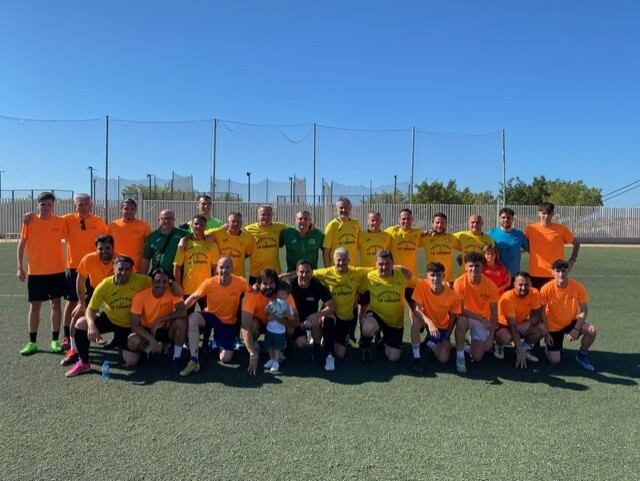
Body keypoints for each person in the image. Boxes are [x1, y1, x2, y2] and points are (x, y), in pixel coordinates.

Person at [65, 256, 151, 377]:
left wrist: (172, 285)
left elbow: (159, 283)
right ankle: (84, 362)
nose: (124, 272)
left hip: (128, 326)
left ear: (132, 270)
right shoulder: (105, 285)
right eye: (120, 269)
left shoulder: (141, 280)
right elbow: (90, 309)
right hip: (110, 319)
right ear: (114, 269)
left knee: (131, 361)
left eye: (127, 269)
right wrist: (91, 325)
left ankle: (143, 349)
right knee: (81, 323)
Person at [179, 256, 250, 376]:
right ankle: (194, 360)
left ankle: (216, 342)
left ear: (232, 268)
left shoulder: (241, 282)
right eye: (221, 267)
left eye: (227, 267)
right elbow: (193, 297)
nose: (224, 270)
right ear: (217, 269)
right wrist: (179, 312)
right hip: (211, 316)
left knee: (225, 358)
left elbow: (253, 293)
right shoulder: (209, 282)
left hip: (228, 323)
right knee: (193, 318)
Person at [16, 192, 68, 355]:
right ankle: (32, 342)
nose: (46, 207)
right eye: (43, 204)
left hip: (57, 271)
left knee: (56, 305)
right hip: (36, 273)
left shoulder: (61, 222)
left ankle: (54, 340)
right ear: (38, 205)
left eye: (49, 204)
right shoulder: (30, 221)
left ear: (53, 205)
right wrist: (20, 267)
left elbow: (72, 234)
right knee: (35, 307)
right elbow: (21, 244)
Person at [61, 193, 109, 350]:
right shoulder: (68, 219)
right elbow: (50, 223)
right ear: (75, 206)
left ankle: (93, 332)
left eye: (85, 204)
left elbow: (105, 241)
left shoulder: (99, 221)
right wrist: (32, 216)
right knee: (72, 303)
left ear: (91, 205)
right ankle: (67, 336)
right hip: (74, 267)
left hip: (93, 267)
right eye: (79, 204)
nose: (82, 207)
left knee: (92, 303)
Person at [61, 234, 116, 365]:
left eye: (108, 248)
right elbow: (80, 282)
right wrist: (81, 303)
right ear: (96, 249)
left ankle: (123, 341)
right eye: (100, 248)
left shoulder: (120, 260)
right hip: (94, 288)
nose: (104, 251)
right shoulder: (88, 259)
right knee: (77, 315)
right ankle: (74, 349)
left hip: (113, 290)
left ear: (113, 248)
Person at [313, 248, 371, 361]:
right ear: (334, 260)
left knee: (340, 354)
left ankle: (329, 339)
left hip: (346, 318)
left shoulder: (356, 272)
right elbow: (307, 272)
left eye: (344, 260)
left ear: (349, 260)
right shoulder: (327, 273)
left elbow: (375, 269)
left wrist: (397, 268)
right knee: (328, 319)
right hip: (331, 314)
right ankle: (326, 350)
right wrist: (282, 277)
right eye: (338, 260)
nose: (341, 263)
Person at [540, 259, 597, 371]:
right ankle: (549, 348)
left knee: (591, 330)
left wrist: (576, 329)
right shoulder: (546, 288)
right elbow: (541, 312)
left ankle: (582, 355)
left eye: (564, 271)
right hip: (553, 326)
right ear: (552, 272)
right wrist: (546, 333)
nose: (561, 274)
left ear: (568, 271)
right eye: (558, 271)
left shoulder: (577, 287)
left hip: (571, 322)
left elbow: (584, 310)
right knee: (555, 361)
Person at [241, 268, 298, 375]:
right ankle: (254, 346)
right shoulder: (252, 294)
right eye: (265, 283)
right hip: (260, 323)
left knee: (291, 328)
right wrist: (252, 353)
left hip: (277, 324)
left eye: (272, 283)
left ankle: (283, 344)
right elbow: (245, 326)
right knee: (252, 326)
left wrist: (278, 318)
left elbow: (296, 322)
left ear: (276, 284)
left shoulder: (283, 294)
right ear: (258, 284)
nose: (268, 287)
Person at [127, 268, 187, 369]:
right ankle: (148, 350)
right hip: (147, 330)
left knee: (182, 322)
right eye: (157, 281)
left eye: (164, 282)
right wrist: (152, 340)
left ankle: (177, 357)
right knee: (132, 341)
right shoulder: (140, 296)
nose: (161, 285)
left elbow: (183, 311)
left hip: (164, 328)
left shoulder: (172, 291)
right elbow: (134, 325)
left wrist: (162, 319)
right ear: (152, 282)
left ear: (168, 282)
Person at [358, 250, 411, 363]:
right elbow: (358, 291)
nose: (384, 267)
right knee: (367, 327)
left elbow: (419, 284)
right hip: (376, 316)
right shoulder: (370, 277)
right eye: (380, 264)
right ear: (375, 265)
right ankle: (366, 346)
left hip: (395, 323)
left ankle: (384, 340)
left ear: (393, 264)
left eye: (387, 264)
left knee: (393, 358)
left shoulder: (402, 276)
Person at [453, 252, 500, 373]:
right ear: (465, 267)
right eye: (471, 266)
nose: (474, 269)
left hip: (483, 321)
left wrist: (490, 338)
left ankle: (465, 346)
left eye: (477, 266)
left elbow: (494, 314)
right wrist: (480, 317)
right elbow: (461, 310)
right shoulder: (459, 283)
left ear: (482, 267)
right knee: (461, 321)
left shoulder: (490, 285)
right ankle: (460, 357)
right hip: (468, 316)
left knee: (477, 357)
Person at [411, 262, 461, 373]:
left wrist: (446, 337)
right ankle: (416, 358)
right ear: (426, 276)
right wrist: (429, 322)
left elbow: (453, 318)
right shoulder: (421, 285)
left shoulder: (453, 295)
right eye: (432, 275)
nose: (435, 278)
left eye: (438, 275)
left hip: (442, 327)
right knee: (415, 323)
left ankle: (430, 343)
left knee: (443, 359)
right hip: (427, 322)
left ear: (443, 276)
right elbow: (417, 309)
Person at [289, 260, 336, 371]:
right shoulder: (290, 285)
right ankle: (286, 345)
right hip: (294, 320)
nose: (304, 275)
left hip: (310, 320)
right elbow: (275, 280)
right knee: (301, 343)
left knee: (317, 320)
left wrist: (318, 314)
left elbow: (332, 306)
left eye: (307, 272)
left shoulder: (317, 285)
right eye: (301, 272)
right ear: (296, 272)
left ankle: (316, 348)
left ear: (312, 272)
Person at [495, 272, 545, 368]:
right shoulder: (508, 298)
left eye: (526, 284)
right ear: (514, 284)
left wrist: (528, 322)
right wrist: (520, 352)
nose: (523, 288)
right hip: (503, 325)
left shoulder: (534, 293)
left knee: (542, 328)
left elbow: (537, 316)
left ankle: (524, 347)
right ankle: (499, 344)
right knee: (505, 337)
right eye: (520, 285)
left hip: (520, 324)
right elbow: (513, 327)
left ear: (530, 284)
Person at [525, 202, 580, 289]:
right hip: (535, 273)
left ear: (553, 214)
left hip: (556, 273)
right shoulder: (530, 229)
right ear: (538, 213)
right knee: (537, 302)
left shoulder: (561, 229)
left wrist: (572, 259)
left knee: (554, 302)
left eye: (549, 213)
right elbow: (525, 246)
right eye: (544, 213)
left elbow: (576, 244)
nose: (546, 216)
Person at [173, 215, 220, 312]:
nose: (198, 226)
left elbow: (216, 268)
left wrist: (214, 286)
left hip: (206, 289)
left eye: (201, 224)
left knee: (207, 318)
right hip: (188, 288)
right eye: (196, 224)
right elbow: (177, 266)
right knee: (186, 317)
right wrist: (178, 285)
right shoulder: (184, 244)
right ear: (192, 226)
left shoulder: (212, 245)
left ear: (206, 226)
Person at [384, 208, 422, 328]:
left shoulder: (417, 233)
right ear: (399, 220)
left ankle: (414, 328)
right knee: (394, 307)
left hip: (411, 278)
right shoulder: (391, 232)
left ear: (412, 220)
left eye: (408, 219)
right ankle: (387, 332)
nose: (406, 221)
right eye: (403, 219)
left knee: (414, 307)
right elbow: (379, 235)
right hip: (395, 278)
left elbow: (427, 235)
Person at [244, 205, 288, 284]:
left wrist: (310, 225)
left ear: (272, 216)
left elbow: (295, 229)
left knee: (275, 296)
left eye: (268, 214)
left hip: (274, 273)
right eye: (263, 214)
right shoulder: (248, 229)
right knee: (254, 296)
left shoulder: (279, 227)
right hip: (256, 274)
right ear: (258, 216)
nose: (266, 217)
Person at [108, 198, 151, 273]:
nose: (129, 211)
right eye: (126, 209)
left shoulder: (144, 226)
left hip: (137, 269)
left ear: (135, 211)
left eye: (132, 209)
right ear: (121, 210)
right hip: (117, 268)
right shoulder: (112, 225)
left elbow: (149, 248)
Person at [140, 210, 189, 275]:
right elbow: (146, 258)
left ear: (174, 220)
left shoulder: (182, 234)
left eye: (170, 218)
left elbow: (195, 236)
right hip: (158, 277)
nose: (167, 221)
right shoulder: (152, 237)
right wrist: (143, 277)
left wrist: (184, 239)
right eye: (165, 218)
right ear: (159, 219)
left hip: (176, 276)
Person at [209, 212, 254, 278]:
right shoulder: (218, 233)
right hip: (220, 276)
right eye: (233, 221)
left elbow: (247, 254)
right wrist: (221, 228)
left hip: (238, 277)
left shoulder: (247, 238)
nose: (236, 224)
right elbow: (204, 233)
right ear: (227, 222)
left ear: (241, 223)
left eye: (238, 221)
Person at [487, 207, 529, 278]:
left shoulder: (519, 234)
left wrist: (516, 250)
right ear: (499, 218)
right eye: (503, 217)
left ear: (512, 219)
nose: (506, 220)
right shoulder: (491, 234)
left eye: (509, 217)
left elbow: (529, 248)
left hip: (513, 275)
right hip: (495, 275)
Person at [263, 281, 294, 373]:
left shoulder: (287, 306)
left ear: (287, 295)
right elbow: (265, 311)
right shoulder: (273, 302)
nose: (280, 296)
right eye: (279, 294)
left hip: (279, 331)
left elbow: (291, 317)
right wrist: (267, 310)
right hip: (269, 329)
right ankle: (271, 359)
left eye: (283, 294)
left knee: (277, 347)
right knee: (269, 346)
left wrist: (287, 314)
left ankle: (276, 362)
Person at [422, 212, 460, 283]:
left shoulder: (452, 238)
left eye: (442, 223)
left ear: (446, 224)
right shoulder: (425, 238)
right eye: (437, 223)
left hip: (448, 281)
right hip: (430, 280)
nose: (440, 225)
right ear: (432, 224)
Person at [322, 197, 361, 266]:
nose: (344, 210)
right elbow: (326, 252)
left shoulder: (356, 223)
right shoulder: (332, 225)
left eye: (346, 207)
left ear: (350, 209)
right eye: (341, 208)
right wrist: (328, 270)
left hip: (353, 269)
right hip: (337, 269)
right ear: (336, 209)